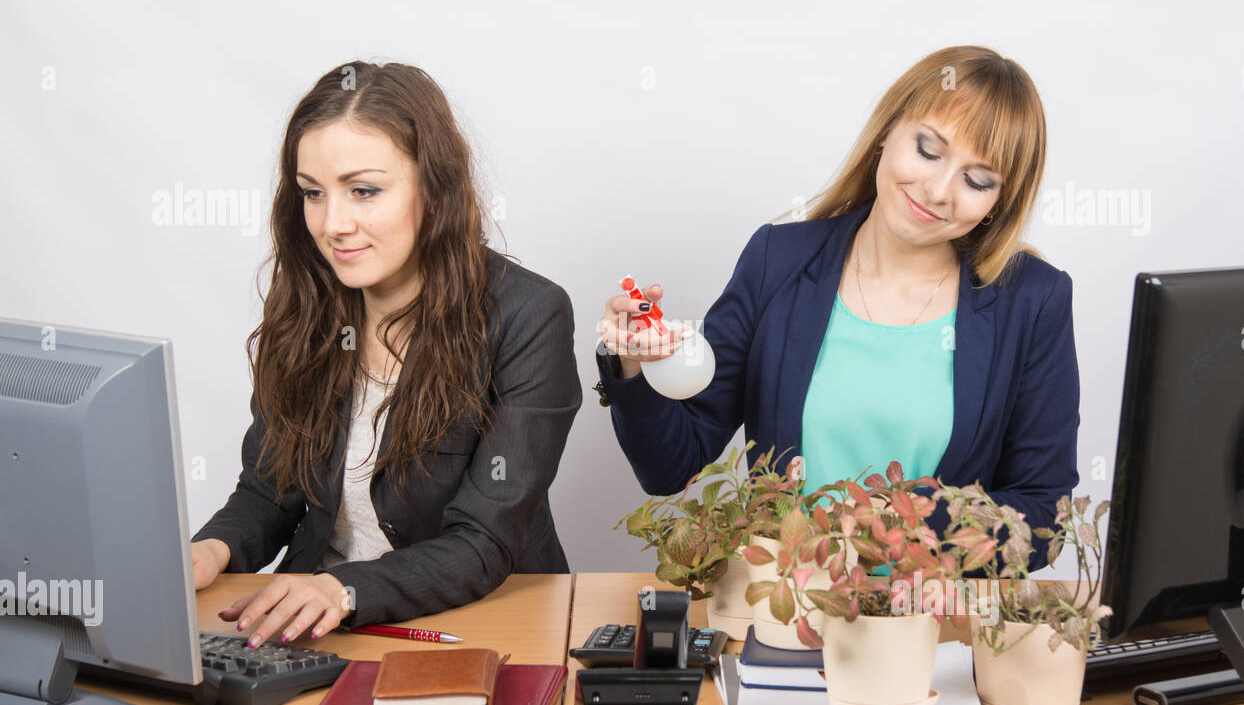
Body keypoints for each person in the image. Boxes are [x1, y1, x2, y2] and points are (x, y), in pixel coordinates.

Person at [595, 45, 1077, 571]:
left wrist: (907, 521)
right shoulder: (777, 261)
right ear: (887, 133)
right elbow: (672, 467)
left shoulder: (1032, 300)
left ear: (998, 204)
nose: (939, 190)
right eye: (928, 150)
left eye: (977, 180)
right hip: (785, 612)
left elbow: (1043, 519)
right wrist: (635, 365)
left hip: (931, 624)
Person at [190, 61, 582, 646]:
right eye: (313, 194)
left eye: (364, 190)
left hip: (473, 627)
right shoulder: (307, 302)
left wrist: (342, 589)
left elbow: (482, 542)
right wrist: (209, 549)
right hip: (319, 625)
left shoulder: (528, 315)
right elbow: (269, 490)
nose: (333, 224)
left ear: (434, 186)